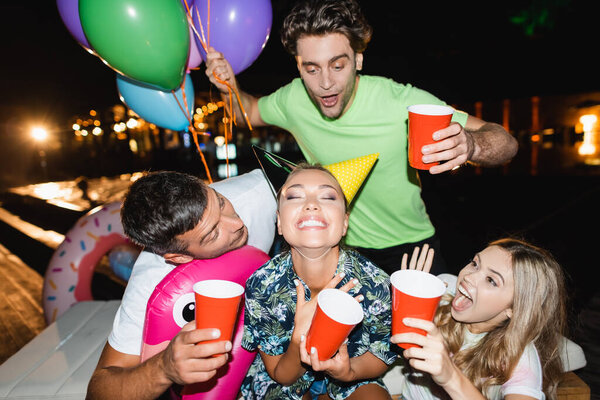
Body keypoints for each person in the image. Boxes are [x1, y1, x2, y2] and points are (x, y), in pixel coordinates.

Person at [204, 0, 519, 276]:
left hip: (412, 249)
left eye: (338, 65)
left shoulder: (399, 101)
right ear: (298, 66)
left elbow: (506, 142)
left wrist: (472, 144)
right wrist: (229, 87)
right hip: (338, 249)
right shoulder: (293, 99)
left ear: (358, 60)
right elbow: (248, 110)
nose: (325, 83)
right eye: (311, 69)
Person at [86, 169, 277, 400]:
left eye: (221, 202)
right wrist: (164, 368)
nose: (236, 223)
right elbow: (99, 390)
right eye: (212, 234)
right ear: (180, 258)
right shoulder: (152, 284)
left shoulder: (259, 191)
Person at [241, 164, 397, 400]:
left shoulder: (375, 284)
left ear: (344, 223)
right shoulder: (262, 285)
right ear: (280, 223)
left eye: (327, 196)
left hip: (352, 375)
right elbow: (281, 375)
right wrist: (298, 338)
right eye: (294, 196)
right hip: (285, 378)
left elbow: (380, 355)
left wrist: (348, 372)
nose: (312, 204)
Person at [392, 238, 567, 400]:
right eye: (475, 264)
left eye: (491, 280)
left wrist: (451, 377)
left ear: (515, 309)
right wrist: (411, 300)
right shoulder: (445, 290)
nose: (469, 276)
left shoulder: (519, 356)